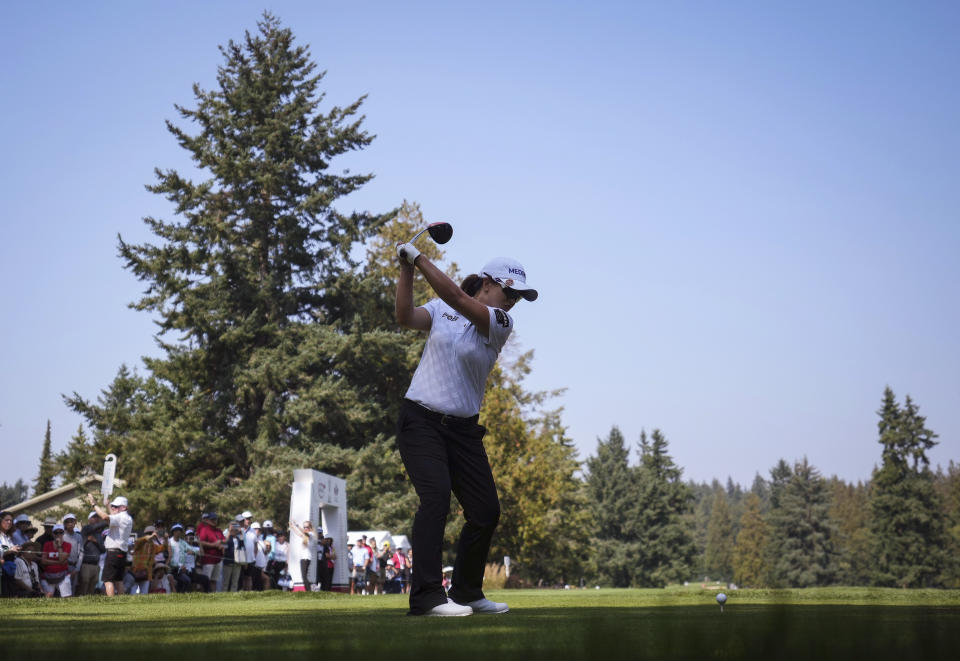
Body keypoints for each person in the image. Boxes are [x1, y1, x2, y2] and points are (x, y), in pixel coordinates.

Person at [394, 245, 537, 616]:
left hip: (463, 432)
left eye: (519, 297)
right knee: (436, 498)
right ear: (488, 283)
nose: (513, 302)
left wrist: (419, 258)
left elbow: (456, 295)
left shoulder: (500, 322)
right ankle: (426, 598)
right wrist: (406, 269)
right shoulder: (441, 310)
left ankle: (466, 593)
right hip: (420, 421)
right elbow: (405, 317)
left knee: (485, 510)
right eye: (510, 293)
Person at [86, 493, 133, 596]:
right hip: (122, 553)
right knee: (118, 580)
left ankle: (111, 603)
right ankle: (121, 602)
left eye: (116, 506)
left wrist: (94, 504)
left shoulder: (120, 517)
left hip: (113, 553)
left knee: (108, 580)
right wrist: (107, 505)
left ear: (123, 507)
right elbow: (113, 516)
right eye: (113, 506)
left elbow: (105, 517)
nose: (113, 508)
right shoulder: (127, 518)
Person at [77, 512, 108, 596]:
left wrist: (96, 542)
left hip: (96, 565)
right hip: (86, 564)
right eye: (94, 517)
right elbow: (97, 526)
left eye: (97, 517)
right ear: (89, 519)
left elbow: (103, 550)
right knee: (84, 583)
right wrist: (108, 521)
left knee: (92, 586)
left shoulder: (98, 534)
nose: (96, 519)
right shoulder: (86, 529)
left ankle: (89, 604)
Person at [40, 523, 73, 597]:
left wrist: (59, 546)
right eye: (56, 532)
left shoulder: (68, 545)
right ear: (53, 534)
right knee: (49, 596)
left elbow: (62, 558)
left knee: (66, 596)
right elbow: (43, 561)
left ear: (63, 533)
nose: (58, 534)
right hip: (48, 575)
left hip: (63, 575)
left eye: (60, 532)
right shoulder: (47, 544)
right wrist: (58, 562)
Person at [196, 512, 225, 591]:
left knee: (214, 580)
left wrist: (222, 544)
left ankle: (213, 597)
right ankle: (204, 598)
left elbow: (224, 540)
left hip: (218, 559)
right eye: (212, 519)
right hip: (208, 560)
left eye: (215, 519)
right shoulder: (204, 529)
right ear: (208, 520)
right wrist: (213, 545)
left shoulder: (219, 531)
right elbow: (201, 542)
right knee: (206, 580)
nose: (214, 521)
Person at [289, 520, 316, 590]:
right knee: (304, 576)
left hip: (306, 558)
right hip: (303, 558)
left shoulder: (311, 534)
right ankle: (311, 588)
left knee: (304, 576)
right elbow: (299, 534)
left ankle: (309, 591)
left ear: (310, 527)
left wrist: (297, 525)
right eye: (304, 527)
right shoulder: (305, 536)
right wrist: (292, 527)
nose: (305, 528)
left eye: (306, 527)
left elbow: (303, 532)